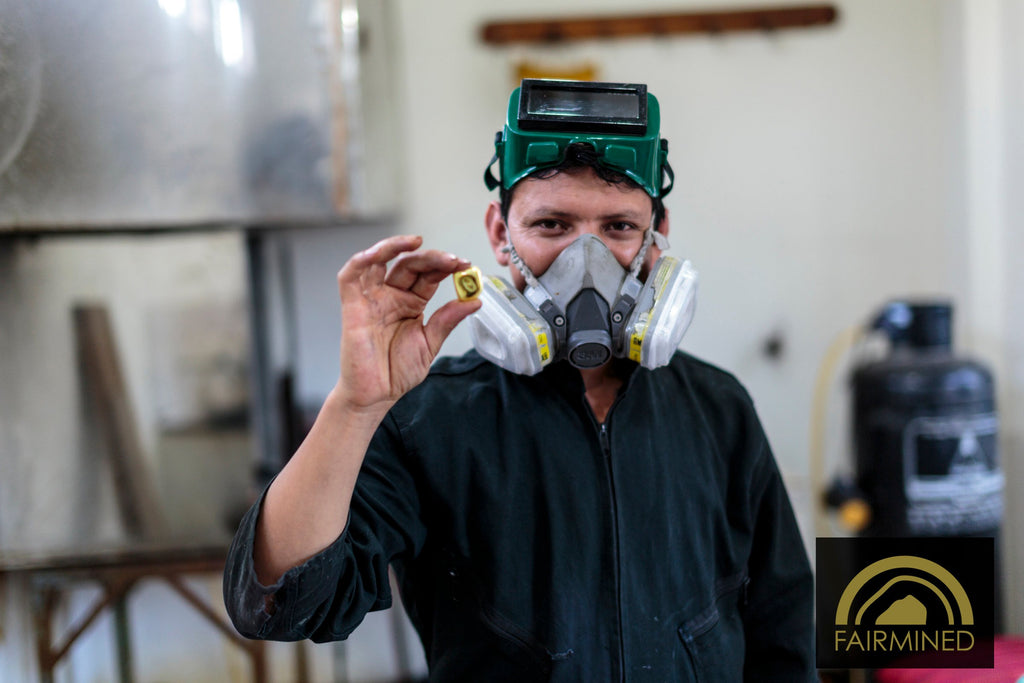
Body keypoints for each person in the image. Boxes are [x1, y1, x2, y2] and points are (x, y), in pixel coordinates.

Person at [224, 79, 815, 681]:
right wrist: (356, 405)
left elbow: (785, 634)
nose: (587, 262)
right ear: (500, 234)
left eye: (618, 227)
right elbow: (279, 604)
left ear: (656, 235)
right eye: (553, 225)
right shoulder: (429, 420)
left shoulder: (719, 410)